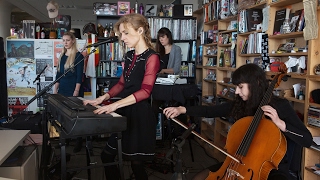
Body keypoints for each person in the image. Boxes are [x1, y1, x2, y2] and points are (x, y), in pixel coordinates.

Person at [163, 63, 312, 180]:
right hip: (239, 162)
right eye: (237, 87)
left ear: (256, 83)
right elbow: (210, 111)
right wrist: (182, 109)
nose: (237, 92)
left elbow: (307, 139)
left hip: (271, 169)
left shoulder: (280, 106)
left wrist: (281, 124)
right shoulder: (241, 104)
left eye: (240, 87)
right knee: (199, 178)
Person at [83, 13, 160, 180]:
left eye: (125, 32)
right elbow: (121, 84)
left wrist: (114, 105)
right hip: (126, 111)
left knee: (136, 164)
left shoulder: (152, 57)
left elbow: (145, 91)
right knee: (107, 156)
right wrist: (102, 99)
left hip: (140, 115)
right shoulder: (129, 55)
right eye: (121, 33)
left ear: (140, 30)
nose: (122, 37)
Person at [53, 31, 85, 153]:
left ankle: (78, 140)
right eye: (63, 40)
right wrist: (56, 89)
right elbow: (59, 74)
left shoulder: (78, 56)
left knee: (75, 116)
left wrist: (76, 91)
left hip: (74, 89)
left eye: (67, 40)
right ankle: (65, 139)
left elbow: (79, 76)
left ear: (73, 41)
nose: (65, 43)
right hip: (63, 89)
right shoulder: (62, 56)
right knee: (63, 115)